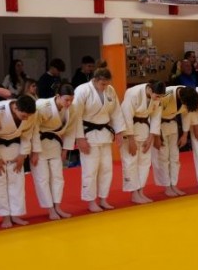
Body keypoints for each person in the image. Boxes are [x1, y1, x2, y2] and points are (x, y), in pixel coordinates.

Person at [68, 63, 125, 213]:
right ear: (95, 79)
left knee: (106, 168)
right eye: (102, 84)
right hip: (88, 134)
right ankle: (91, 201)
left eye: (107, 83)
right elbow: (76, 116)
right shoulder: (82, 90)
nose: (104, 86)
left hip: (104, 134)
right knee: (90, 169)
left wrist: (119, 132)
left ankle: (103, 198)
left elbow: (116, 112)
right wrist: (80, 138)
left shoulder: (110, 90)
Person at [0, 93, 37, 229]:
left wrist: (22, 155)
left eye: (28, 116)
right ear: (15, 108)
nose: (27, 118)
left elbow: (27, 134)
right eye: (24, 115)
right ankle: (5, 216)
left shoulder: (31, 114)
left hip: (15, 147)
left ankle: (16, 214)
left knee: (17, 181)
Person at [30, 83, 75, 221]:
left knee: (58, 177)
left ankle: (57, 206)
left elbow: (71, 129)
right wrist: (35, 151)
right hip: (39, 144)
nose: (69, 103)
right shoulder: (42, 106)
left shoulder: (72, 108)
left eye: (71, 99)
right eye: (66, 99)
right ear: (58, 96)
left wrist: (65, 150)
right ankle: (50, 209)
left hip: (55, 144)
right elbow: (33, 129)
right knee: (42, 178)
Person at [119, 80, 164, 205]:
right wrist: (130, 139)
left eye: (160, 97)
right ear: (150, 90)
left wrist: (151, 138)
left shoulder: (157, 97)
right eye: (157, 96)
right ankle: (133, 193)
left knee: (144, 162)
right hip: (130, 130)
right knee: (130, 161)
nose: (158, 99)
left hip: (145, 129)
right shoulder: (133, 94)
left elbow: (156, 117)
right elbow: (126, 116)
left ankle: (141, 191)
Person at [153, 84, 198, 197]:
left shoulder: (187, 93)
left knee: (174, 157)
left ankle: (174, 184)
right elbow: (154, 115)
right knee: (163, 157)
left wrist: (185, 134)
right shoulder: (166, 95)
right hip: (160, 126)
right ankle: (167, 186)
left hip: (173, 124)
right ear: (182, 100)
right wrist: (156, 136)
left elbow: (186, 114)